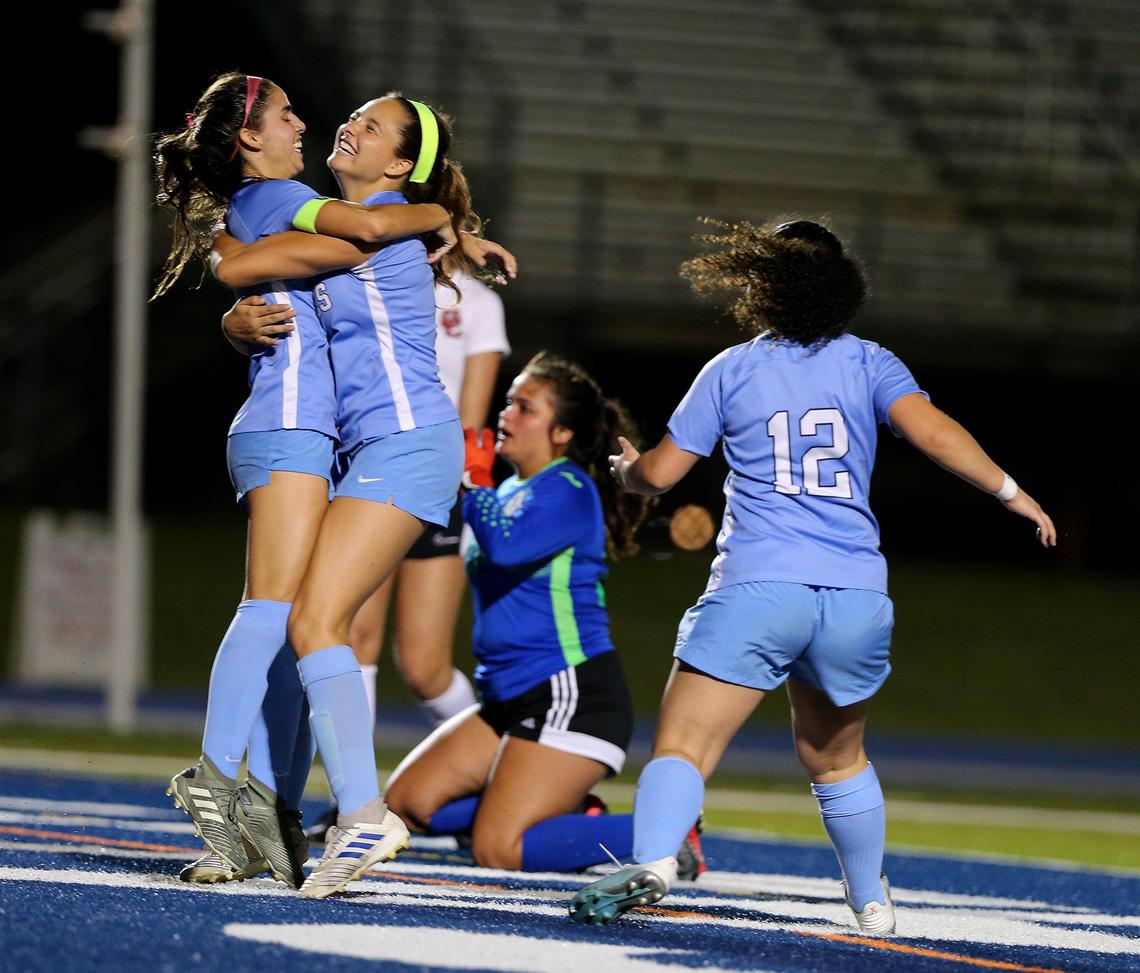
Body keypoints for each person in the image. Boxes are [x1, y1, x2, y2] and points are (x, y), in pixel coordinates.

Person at [568, 218, 1056, 932]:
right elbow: (936, 433)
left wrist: (625, 471)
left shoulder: (733, 368)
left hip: (760, 586)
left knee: (684, 746)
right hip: (855, 595)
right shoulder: (869, 362)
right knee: (836, 757)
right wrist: (1013, 492)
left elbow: (662, 473)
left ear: (764, 284)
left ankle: (653, 859)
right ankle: (872, 900)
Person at [167, 84, 513, 899]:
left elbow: (257, 257)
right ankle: (313, 811)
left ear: (401, 163)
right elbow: (240, 263)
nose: (345, 125)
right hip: (372, 449)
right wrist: (447, 223)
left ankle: (350, 810)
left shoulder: (375, 228)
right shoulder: (332, 215)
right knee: (302, 623)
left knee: (312, 621)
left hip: (410, 444)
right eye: (350, 116)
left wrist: (438, 219)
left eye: (373, 125)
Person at [381, 353, 699, 876]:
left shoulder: (568, 488)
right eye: (508, 402)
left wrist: (475, 485)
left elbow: (507, 548)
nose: (506, 414)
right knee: (410, 804)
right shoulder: (508, 490)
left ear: (561, 432)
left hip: (567, 693)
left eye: (525, 407)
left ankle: (666, 831)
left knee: (498, 849)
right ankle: (567, 812)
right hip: (511, 698)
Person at [300, 257, 510, 843]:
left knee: (423, 666)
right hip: (367, 469)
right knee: (351, 636)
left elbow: (473, 419)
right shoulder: (373, 281)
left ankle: (492, 779)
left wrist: (459, 480)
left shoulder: (478, 303)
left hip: (432, 476)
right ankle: (355, 801)